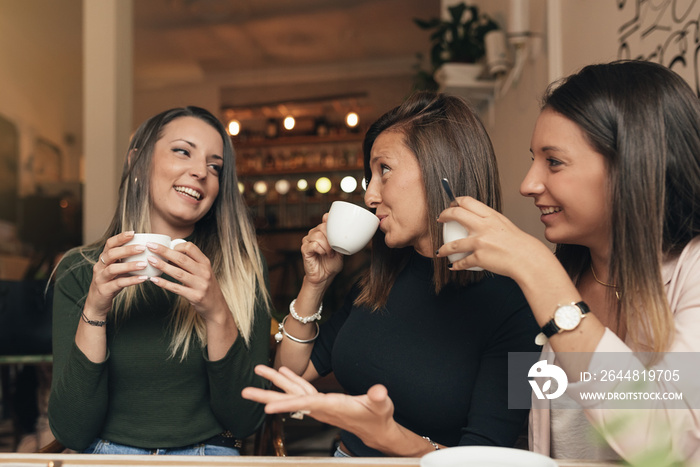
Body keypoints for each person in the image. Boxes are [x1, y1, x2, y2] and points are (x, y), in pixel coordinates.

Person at [242, 91, 541, 457]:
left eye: (384, 170)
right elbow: (290, 378)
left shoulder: (519, 306)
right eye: (370, 175)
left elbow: (486, 458)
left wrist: (388, 438)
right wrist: (315, 284)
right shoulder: (378, 281)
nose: (369, 195)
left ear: (442, 168)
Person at [435, 60, 700, 464]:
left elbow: (662, 443)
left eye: (553, 162)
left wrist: (538, 271)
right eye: (533, 160)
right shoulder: (571, 274)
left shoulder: (691, 272)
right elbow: (534, 432)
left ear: (631, 165)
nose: (528, 184)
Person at [48, 106, 272, 455]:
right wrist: (95, 308)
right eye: (183, 151)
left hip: (207, 456)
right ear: (137, 162)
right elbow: (72, 430)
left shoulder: (243, 268)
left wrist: (216, 312)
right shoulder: (79, 269)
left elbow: (246, 420)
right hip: (109, 457)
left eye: (216, 167)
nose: (201, 172)